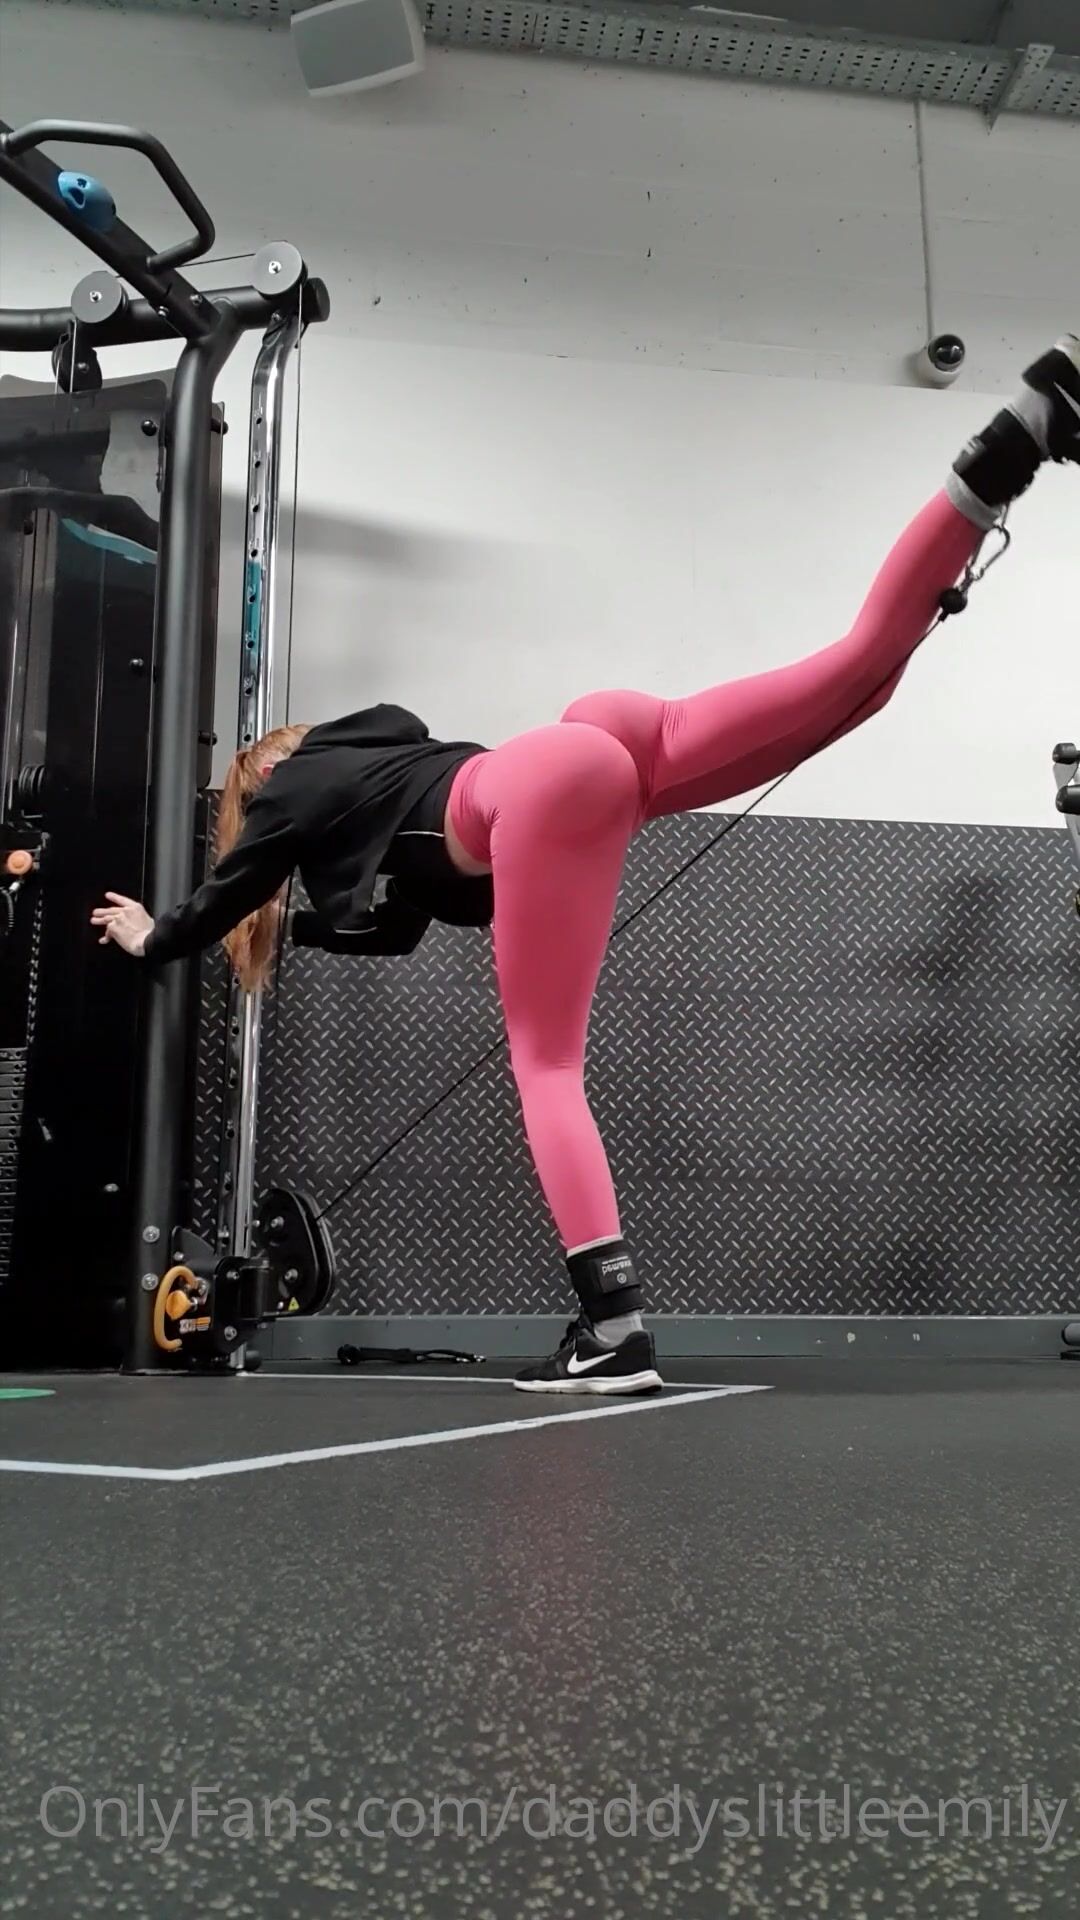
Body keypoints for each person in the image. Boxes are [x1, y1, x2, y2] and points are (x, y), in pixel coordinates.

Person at [94, 337, 1080, 1396]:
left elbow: (231, 889)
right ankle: (1010, 445)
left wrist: (156, 937)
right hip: (608, 742)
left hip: (552, 785)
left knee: (547, 1068)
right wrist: (303, 924)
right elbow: (399, 917)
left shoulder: (288, 788)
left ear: (263, 774)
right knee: (853, 679)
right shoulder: (378, 754)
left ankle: (614, 1327)